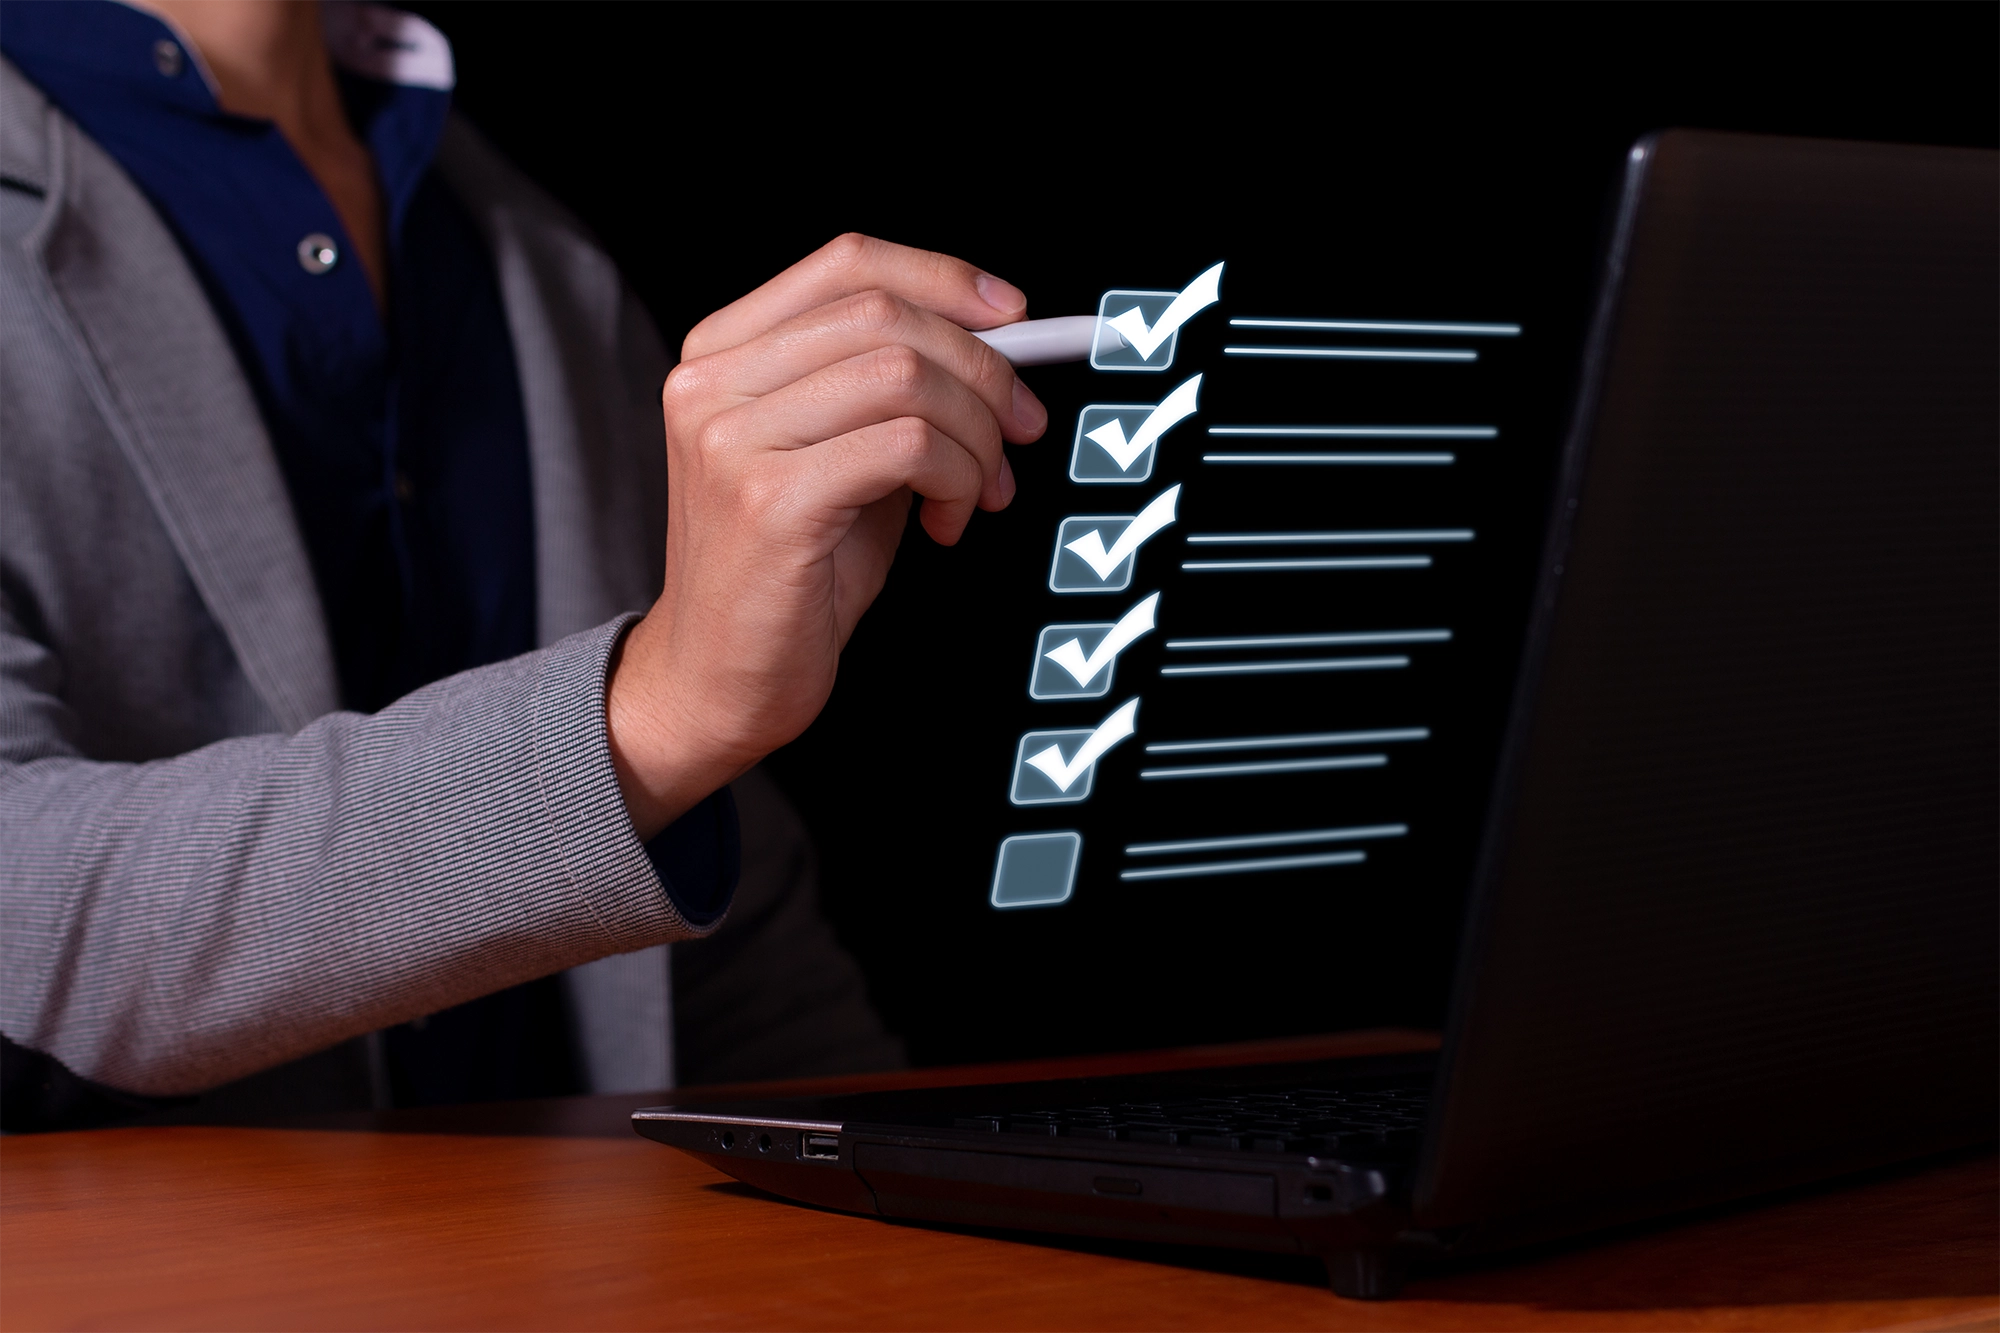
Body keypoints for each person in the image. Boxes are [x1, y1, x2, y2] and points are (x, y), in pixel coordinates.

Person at [0, 0, 1047, 1130]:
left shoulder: (534, 258)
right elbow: (31, 909)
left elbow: (716, 955)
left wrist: (933, 1226)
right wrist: (649, 714)